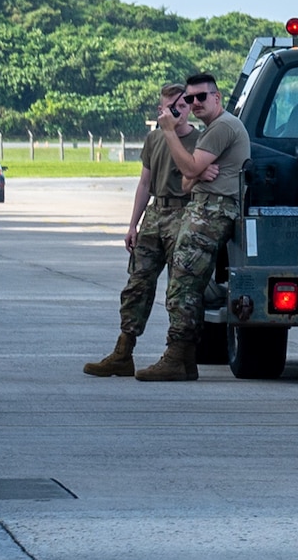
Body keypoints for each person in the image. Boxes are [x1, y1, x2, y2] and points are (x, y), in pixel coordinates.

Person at [83, 84, 217, 377]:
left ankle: (182, 355)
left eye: (182, 106)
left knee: (182, 288)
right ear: (160, 111)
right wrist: (133, 224)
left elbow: (202, 174)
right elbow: (144, 184)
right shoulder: (154, 139)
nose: (177, 112)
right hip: (156, 212)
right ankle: (123, 350)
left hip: (185, 210)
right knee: (137, 283)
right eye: (170, 107)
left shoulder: (200, 139)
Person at [135, 73, 250, 382]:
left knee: (182, 286)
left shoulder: (221, 127)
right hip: (202, 207)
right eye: (189, 99)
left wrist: (170, 132)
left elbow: (186, 168)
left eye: (202, 97)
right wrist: (197, 172)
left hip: (212, 211)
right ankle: (185, 361)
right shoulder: (212, 131)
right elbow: (186, 181)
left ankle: (176, 356)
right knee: (186, 285)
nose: (195, 103)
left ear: (217, 97)